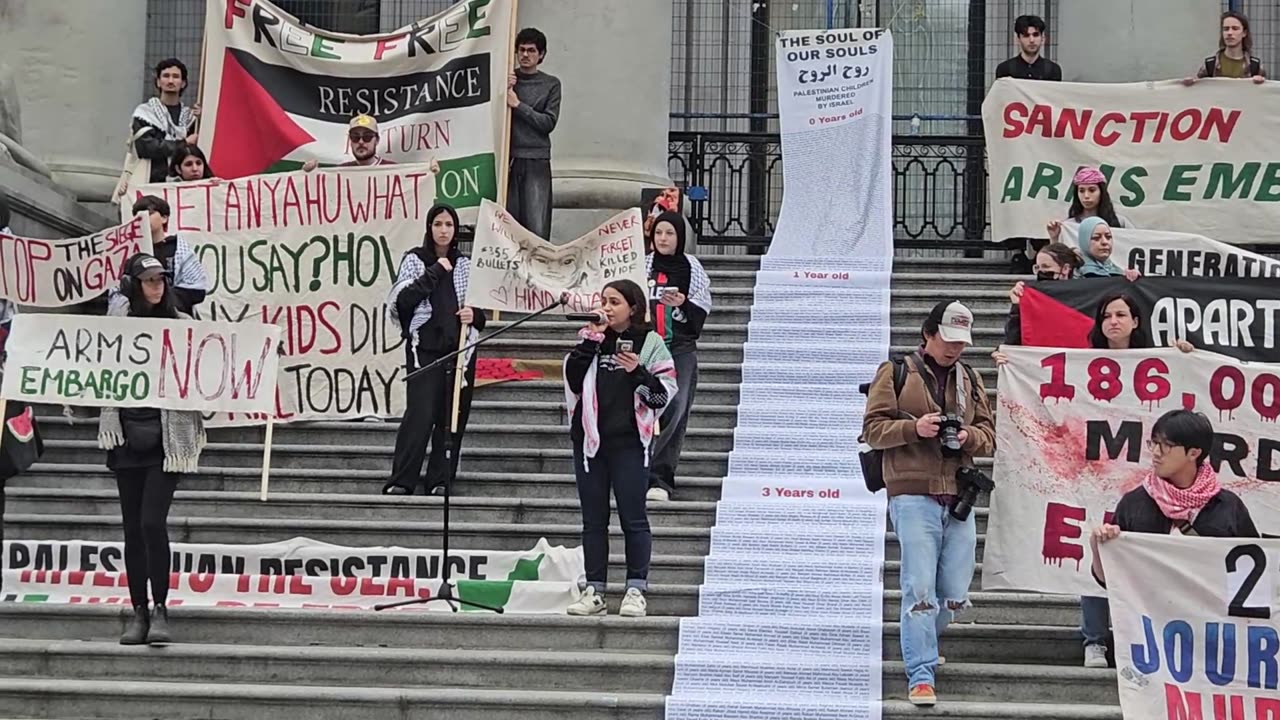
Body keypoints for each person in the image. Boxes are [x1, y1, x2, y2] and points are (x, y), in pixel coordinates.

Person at [861, 301, 997, 706]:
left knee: (954, 589)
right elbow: (872, 430)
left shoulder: (970, 377)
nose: (955, 349)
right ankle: (920, 672)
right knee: (919, 585)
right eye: (949, 340)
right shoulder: (896, 371)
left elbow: (989, 433)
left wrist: (970, 437)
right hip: (912, 491)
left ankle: (925, 645)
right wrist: (914, 428)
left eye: (961, 342)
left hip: (959, 492)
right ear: (929, 333)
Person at [100, 253, 207, 644]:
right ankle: (139, 611)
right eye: (147, 280)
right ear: (133, 285)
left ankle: (161, 607)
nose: (157, 286)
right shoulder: (119, 325)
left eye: (161, 279)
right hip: (126, 437)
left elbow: (208, 371)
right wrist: (120, 301)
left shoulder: (183, 325)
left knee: (150, 523)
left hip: (167, 440)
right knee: (132, 530)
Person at [563, 279, 677, 618]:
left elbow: (663, 395)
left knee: (633, 518)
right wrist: (590, 341)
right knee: (593, 520)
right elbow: (572, 378)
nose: (607, 308)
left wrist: (637, 372)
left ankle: (635, 588)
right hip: (590, 441)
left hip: (629, 441)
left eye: (614, 302)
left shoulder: (649, 341)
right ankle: (595, 589)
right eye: (604, 301)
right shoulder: (591, 339)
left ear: (633, 307)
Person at [384, 203, 486, 496]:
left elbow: (480, 310)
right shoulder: (415, 260)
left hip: (459, 351)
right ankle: (403, 478)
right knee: (421, 413)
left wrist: (475, 316)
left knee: (451, 415)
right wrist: (435, 272)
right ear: (430, 228)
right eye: (438, 224)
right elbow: (403, 301)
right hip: (424, 350)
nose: (443, 230)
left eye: (449, 225)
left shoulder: (465, 265)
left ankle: (441, 478)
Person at [1091, 409, 1259, 574]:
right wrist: (1099, 547)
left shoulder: (1228, 507)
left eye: (1167, 446)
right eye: (1154, 443)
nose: (1156, 452)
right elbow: (1112, 580)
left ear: (1193, 453)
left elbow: (1253, 568)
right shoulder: (1134, 503)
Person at [644, 212, 711, 503]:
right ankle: (636, 471)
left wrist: (682, 305)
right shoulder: (642, 264)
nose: (663, 239)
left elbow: (700, 311)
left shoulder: (691, 268)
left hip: (679, 349)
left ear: (680, 237)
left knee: (674, 408)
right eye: (659, 233)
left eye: (670, 233)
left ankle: (660, 477)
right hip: (645, 348)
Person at [111, 196, 208, 317]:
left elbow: (197, 291)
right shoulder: (128, 252)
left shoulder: (178, 249)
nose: (142, 218)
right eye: (137, 215)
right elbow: (116, 290)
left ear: (164, 218)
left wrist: (163, 299)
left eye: (149, 213)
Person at [507, 28, 562, 239]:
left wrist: (518, 105)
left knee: (536, 226)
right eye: (521, 50)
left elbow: (548, 122)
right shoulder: (508, 79)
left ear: (541, 55)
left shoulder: (551, 84)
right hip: (510, 159)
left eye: (531, 50)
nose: (525, 55)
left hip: (537, 160)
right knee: (509, 227)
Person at [1002, 242, 1083, 346]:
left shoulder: (1081, 296)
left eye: (1046, 267)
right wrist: (1017, 306)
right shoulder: (1032, 298)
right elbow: (1013, 339)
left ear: (1066, 269)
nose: (1041, 272)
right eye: (1037, 267)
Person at [132, 58, 198, 184]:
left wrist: (204, 118)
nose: (171, 81)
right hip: (150, 182)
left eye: (176, 77)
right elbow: (146, 148)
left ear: (183, 83)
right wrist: (183, 144)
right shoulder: (144, 113)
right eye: (166, 76)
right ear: (158, 82)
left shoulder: (190, 118)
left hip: (182, 185)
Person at [1046, 167, 1133, 244]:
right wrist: (1054, 238)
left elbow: (1135, 243)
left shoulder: (1121, 222)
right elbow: (1058, 257)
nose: (1086, 196)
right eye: (1081, 191)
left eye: (1092, 190)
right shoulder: (1069, 226)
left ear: (1101, 192)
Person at [1184, 11, 1265, 84]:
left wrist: (1260, 84)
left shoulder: (1255, 66)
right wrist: (1190, 84)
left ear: (1244, 33)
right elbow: (1199, 92)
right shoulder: (1210, 65)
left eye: (1235, 28)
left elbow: (1264, 96)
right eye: (1226, 29)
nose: (1229, 33)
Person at [995, 15, 1063, 81]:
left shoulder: (1053, 70)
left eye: (1035, 35)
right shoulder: (1005, 69)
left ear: (1043, 38)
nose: (1031, 40)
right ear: (1018, 39)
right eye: (1026, 35)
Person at [1074, 217, 1143, 280]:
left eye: (1108, 237)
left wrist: (1132, 278)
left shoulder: (1118, 272)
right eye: (1096, 238)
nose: (1104, 242)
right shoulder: (1074, 273)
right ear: (1084, 241)